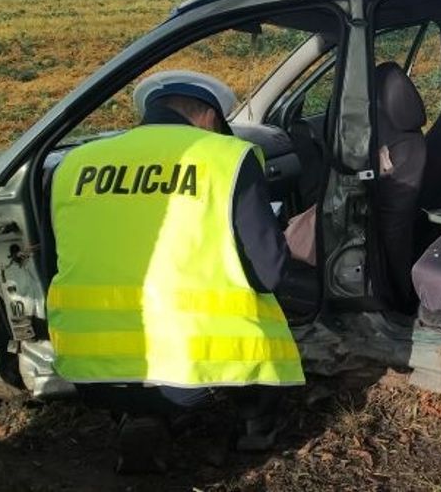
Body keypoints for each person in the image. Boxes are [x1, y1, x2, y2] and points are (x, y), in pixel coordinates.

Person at [45, 70, 314, 473]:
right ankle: (255, 427)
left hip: (88, 370)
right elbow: (269, 272)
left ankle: (139, 414)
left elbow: (57, 261)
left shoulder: (73, 165)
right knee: (262, 312)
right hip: (194, 370)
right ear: (208, 116)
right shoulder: (224, 159)